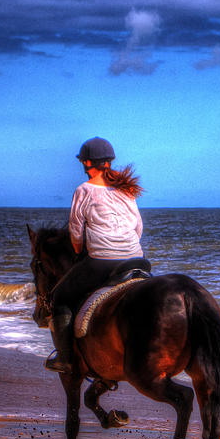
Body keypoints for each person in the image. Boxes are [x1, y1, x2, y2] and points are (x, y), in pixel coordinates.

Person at [44, 136, 145, 373]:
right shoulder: (126, 191)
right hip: (136, 258)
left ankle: (66, 358)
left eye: (83, 162)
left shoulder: (84, 190)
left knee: (60, 297)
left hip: (102, 261)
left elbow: (76, 231)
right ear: (108, 162)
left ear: (87, 162)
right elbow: (138, 227)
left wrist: (80, 251)